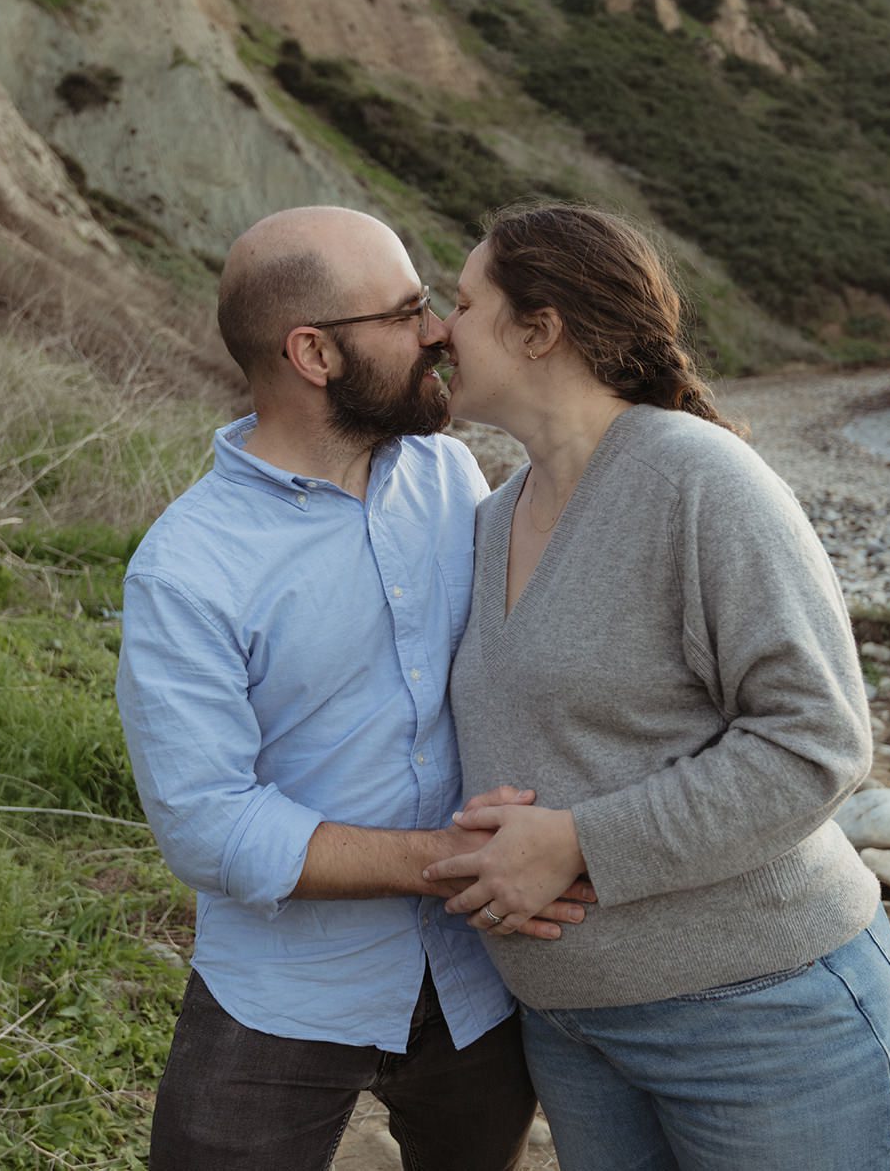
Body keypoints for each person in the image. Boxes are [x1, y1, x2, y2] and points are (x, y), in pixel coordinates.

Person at [422, 202, 890, 1170]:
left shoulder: (699, 480)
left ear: (539, 328)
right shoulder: (492, 516)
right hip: (572, 1030)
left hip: (758, 1019)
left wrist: (577, 843)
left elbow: (816, 741)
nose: (440, 330)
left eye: (464, 303)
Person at [115, 206, 590, 1171]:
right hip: (284, 991)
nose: (439, 332)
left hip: (475, 977)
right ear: (314, 354)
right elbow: (207, 821)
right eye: (407, 312)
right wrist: (447, 860)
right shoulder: (187, 567)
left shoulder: (450, 474)